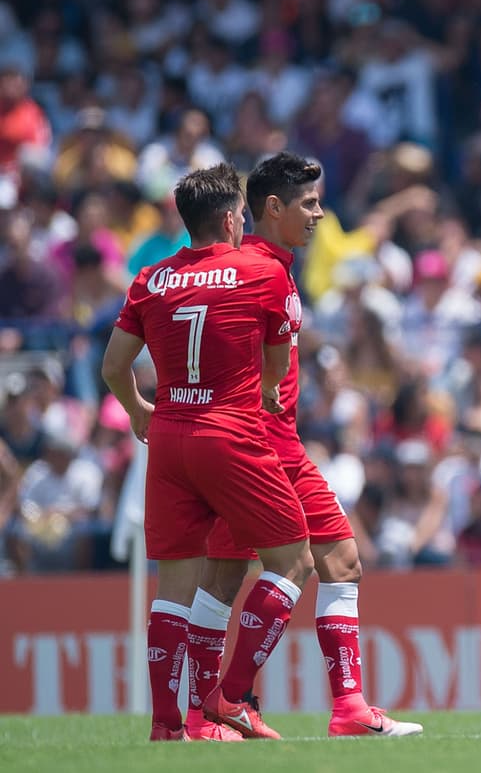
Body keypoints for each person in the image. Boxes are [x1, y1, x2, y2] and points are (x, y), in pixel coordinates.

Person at [185, 153, 422, 741]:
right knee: (327, 562)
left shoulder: (259, 266)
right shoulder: (257, 271)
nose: (319, 214)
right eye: (309, 203)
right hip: (267, 445)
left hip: (247, 441)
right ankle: (231, 699)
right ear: (273, 208)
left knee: (230, 575)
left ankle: (212, 711)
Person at [99, 163, 312, 741]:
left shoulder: (151, 278)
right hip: (232, 432)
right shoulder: (261, 273)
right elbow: (277, 367)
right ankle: (229, 696)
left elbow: (114, 367)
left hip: (168, 436)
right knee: (294, 561)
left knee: (173, 589)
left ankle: (168, 726)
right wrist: (264, 389)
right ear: (229, 217)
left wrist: (141, 410)